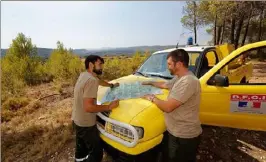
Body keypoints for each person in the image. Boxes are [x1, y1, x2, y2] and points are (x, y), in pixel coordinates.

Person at [142, 49, 202, 162]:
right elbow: (165, 84)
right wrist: (150, 82)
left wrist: (151, 97)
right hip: (175, 131)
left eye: (169, 64)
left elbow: (168, 107)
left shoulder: (188, 81)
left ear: (178, 64)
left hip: (184, 136)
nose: (167, 67)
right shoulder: (179, 77)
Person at [71, 55, 120, 162]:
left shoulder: (84, 75)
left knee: (81, 149)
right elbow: (89, 107)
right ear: (91, 65)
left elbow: (100, 81)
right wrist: (109, 106)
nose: (102, 67)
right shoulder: (91, 80)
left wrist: (111, 86)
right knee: (96, 153)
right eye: (99, 64)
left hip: (76, 119)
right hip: (86, 124)